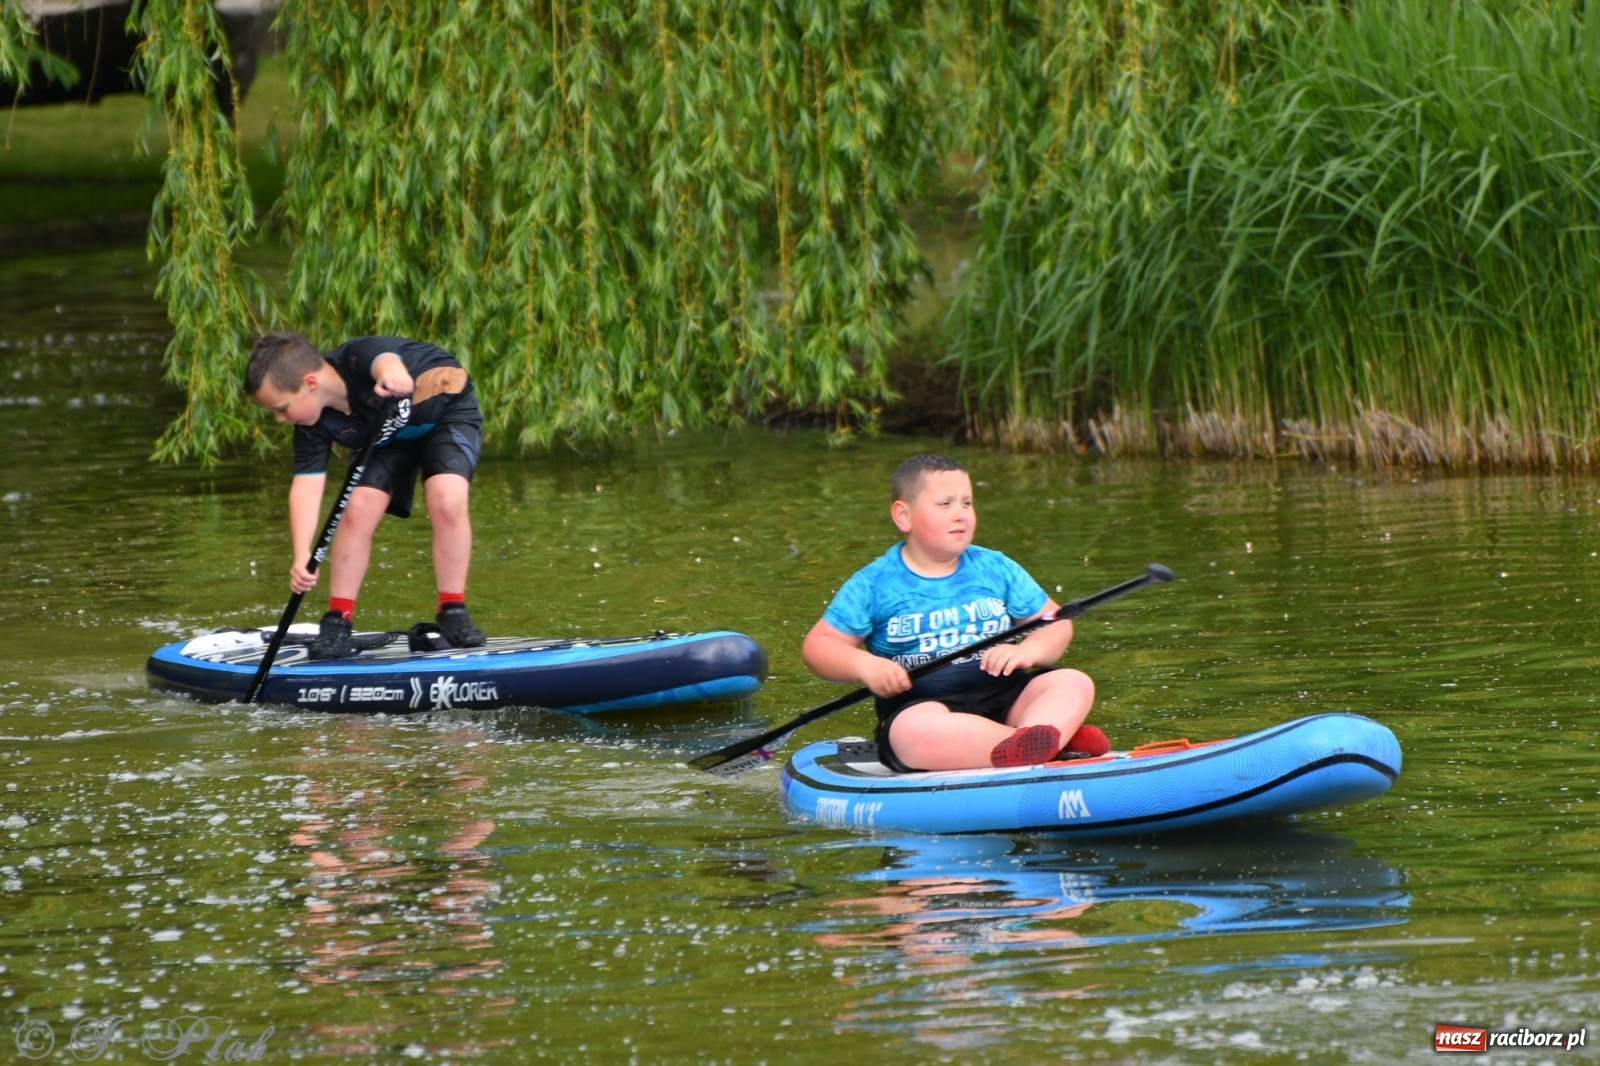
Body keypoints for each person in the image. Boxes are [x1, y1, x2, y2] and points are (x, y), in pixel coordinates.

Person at [801, 454, 1107, 772]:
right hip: (926, 710)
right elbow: (820, 646)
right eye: (945, 504)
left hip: (1009, 699)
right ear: (903, 516)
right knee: (912, 732)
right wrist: (864, 665)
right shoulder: (873, 583)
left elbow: (1054, 624)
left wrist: (1030, 650)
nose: (960, 514)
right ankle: (1052, 747)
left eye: (967, 503)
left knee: (1072, 681)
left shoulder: (996, 567)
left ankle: (1033, 743)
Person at [245, 331, 487, 659]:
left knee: (447, 499)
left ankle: (453, 611)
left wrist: (392, 374)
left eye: (282, 408)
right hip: (388, 439)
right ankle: (337, 621)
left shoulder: (357, 357)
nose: (280, 418)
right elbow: (306, 486)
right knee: (357, 507)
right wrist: (302, 554)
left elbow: (383, 359)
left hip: (446, 415)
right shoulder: (311, 425)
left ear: (310, 383)